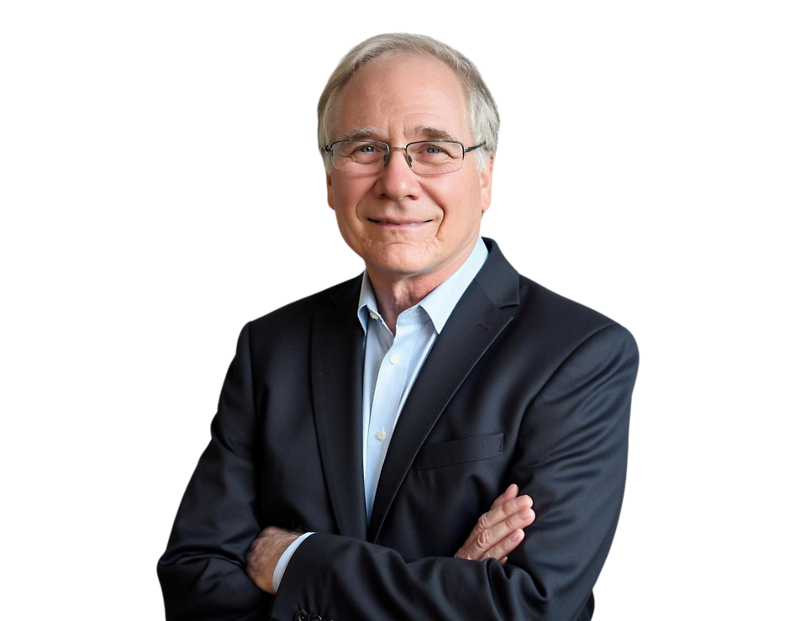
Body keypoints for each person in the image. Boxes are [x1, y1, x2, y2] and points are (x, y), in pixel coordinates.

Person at [157, 32, 640, 620]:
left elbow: (529, 608)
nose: (396, 181)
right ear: (328, 181)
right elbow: (192, 581)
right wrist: (446, 588)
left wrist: (294, 561)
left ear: (486, 173)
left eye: (433, 148)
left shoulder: (581, 352)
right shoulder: (271, 345)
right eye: (364, 148)